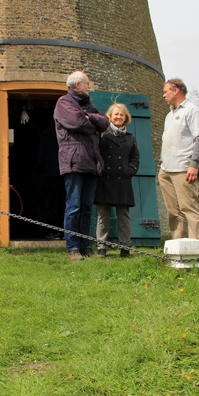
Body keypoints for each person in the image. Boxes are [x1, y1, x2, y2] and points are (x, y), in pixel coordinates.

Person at [53, 71, 109, 260]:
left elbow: (105, 122)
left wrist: (89, 117)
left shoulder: (89, 105)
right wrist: (89, 120)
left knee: (86, 208)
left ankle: (86, 246)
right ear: (77, 85)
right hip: (74, 161)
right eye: (87, 83)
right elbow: (77, 122)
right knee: (74, 207)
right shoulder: (64, 103)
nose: (89, 86)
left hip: (92, 162)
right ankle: (73, 248)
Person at [159, 78, 199, 239]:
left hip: (183, 169)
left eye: (166, 91)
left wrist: (194, 164)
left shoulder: (192, 111)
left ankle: (196, 247)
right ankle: (178, 245)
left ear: (176, 90)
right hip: (166, 169)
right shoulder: (169, 116)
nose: (163, 95)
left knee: (189, 208)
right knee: (173, 211)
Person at [94, 103, 140, 258]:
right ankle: (101, 248)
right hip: (105, 180)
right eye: (116, 114)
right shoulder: (102, 135)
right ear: (110, 117)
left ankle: (125, 248)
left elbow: (135, 158)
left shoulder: (131, 138)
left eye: (122, 114)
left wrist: (130, 171)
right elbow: (95, 154)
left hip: (123, 181)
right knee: (103, 217)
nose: (119, 117)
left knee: (124, 217)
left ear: (126, 117)